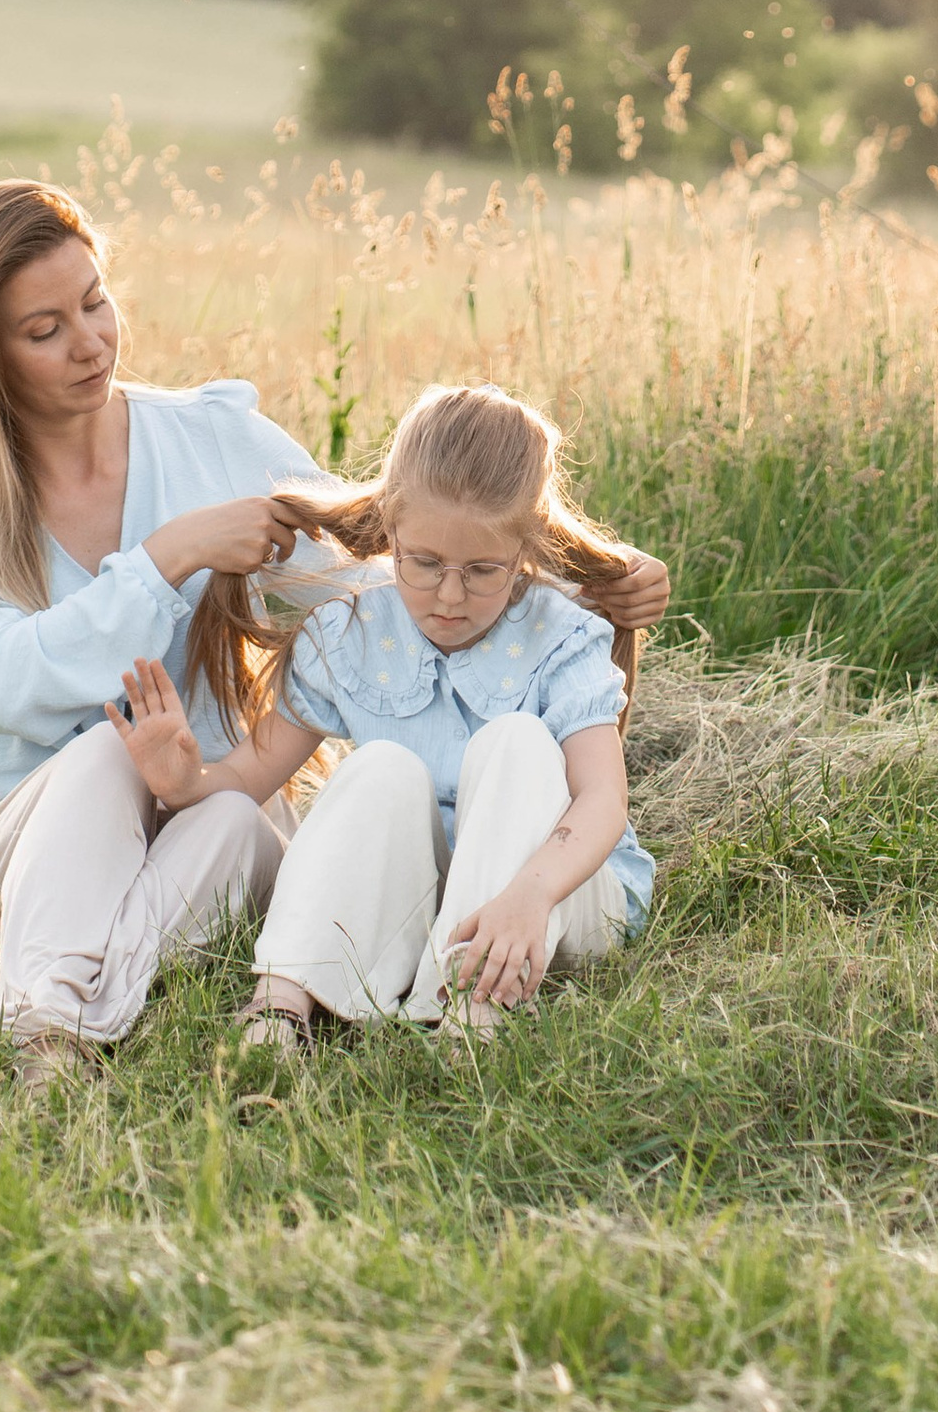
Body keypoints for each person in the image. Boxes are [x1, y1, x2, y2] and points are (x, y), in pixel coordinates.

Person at [0, 183, 667, 1086]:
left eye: (95, 302)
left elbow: (391, 566)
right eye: (44, 330)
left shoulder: (214, 438)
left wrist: (581, 584)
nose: (90, 341)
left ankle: (36, 1033)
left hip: (215, 805)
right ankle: (39, 1027)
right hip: (37, 846)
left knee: (230, 820)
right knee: (103, 756)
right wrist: (169, 557)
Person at [108, 378, 654, 1045]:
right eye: (424, 562)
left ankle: (474, 1009)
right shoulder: (354, 630)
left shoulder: (560, 635)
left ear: (525, 550)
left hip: (559, 899)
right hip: (431, 901)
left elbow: (602, 800)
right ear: (391, 527)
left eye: (484, 570)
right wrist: (183, 782)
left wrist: (531, 895)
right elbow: (249, 776)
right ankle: (282, 1005)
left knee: (516, 740)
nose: (449, 596)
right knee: (377, 767)